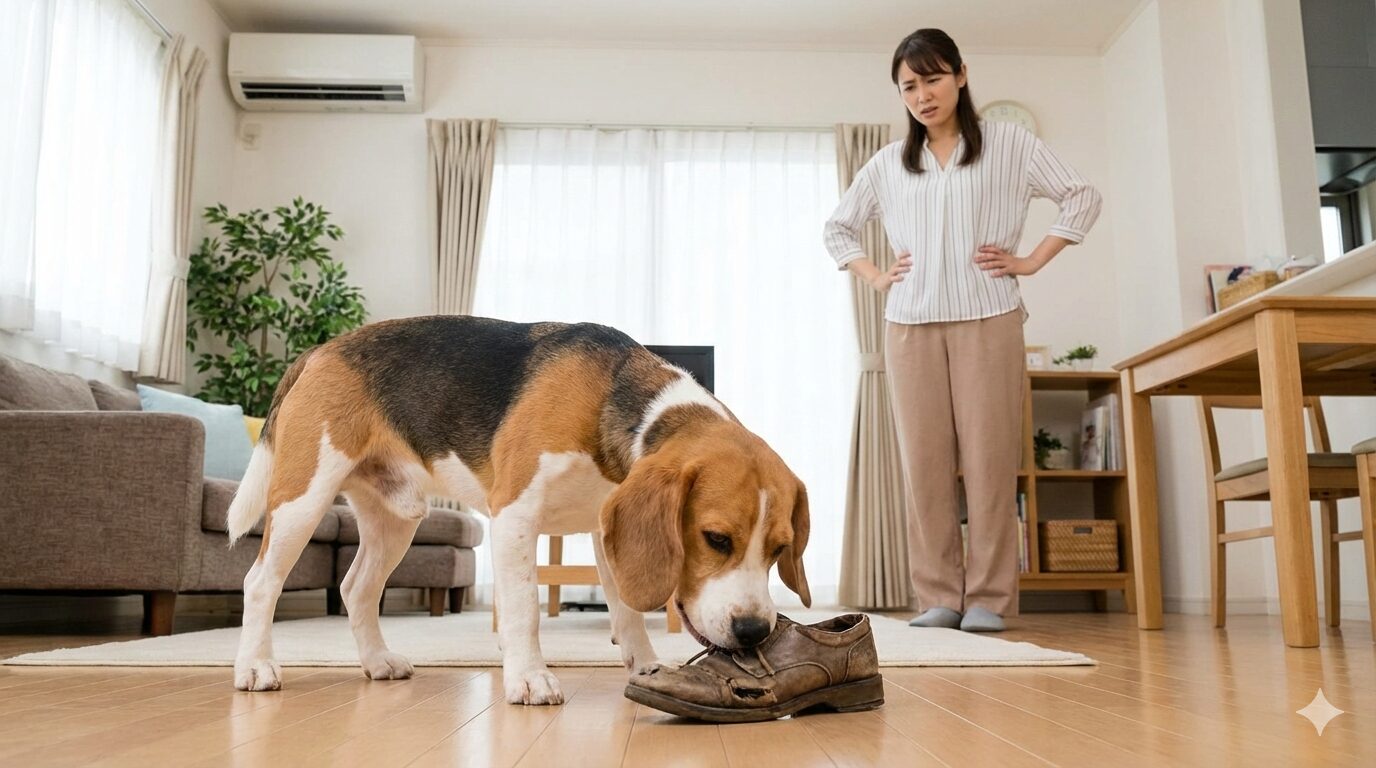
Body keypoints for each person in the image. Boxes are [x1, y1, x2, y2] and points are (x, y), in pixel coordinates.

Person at [823, 28, 1102, 632]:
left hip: (990, 318)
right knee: (924, 466)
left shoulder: (1009, 144)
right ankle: (939, 598)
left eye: (932, 79)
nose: (922, 95)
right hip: (909, 325)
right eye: (908, 86)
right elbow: (838, 229)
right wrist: (875, 276)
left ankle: (990, 600)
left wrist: (1030, 260)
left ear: (960, 75)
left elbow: (1081, 196)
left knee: (989, 463)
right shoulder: (888, 165)